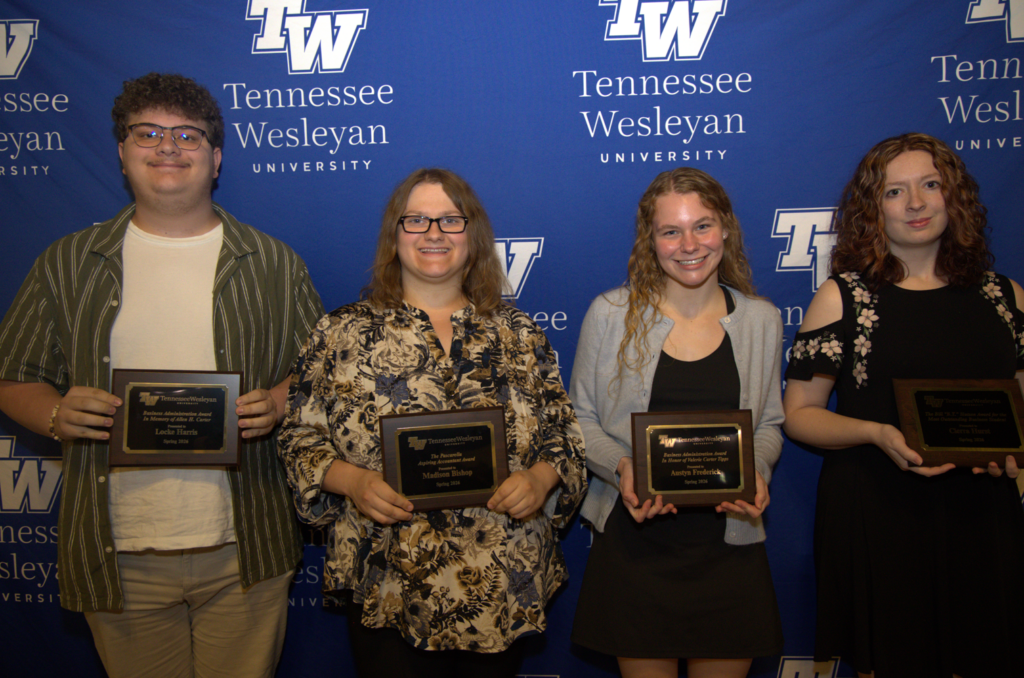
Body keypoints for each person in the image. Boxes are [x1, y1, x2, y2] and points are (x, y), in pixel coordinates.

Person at [0, 73, 324, 678]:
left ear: (216, 156)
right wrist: (53, 413)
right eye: (147, 132)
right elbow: (15, 376)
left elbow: (327, 375)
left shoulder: (274, 263)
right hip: (117, 550)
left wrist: (281, 402)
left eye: (188, 135)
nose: (168, 147)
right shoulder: (69, 262)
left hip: (245, 545)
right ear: (122, 152)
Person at [277, 168, 586, 677]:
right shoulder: (341, 332)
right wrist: (351, 481)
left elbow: (564, 435)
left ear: (474, 235)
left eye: (449, 219)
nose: (434, 233)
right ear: (394, 236)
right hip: (387, 580)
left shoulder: (519, 334)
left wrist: (539, 478)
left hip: (499, 582)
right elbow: (298, 437)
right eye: (416, 220)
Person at [783, 132, 1024, 678]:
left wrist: (1016, 450)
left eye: (930, 185)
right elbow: (798, 412)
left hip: (983, 517)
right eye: (896, 191)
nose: (916, 203)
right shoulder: (843, 297)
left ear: (953, 196)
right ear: (873, 209)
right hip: (878, 512)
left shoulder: (1006, 296)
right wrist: (876, 433)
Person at [570, 168, 784, 678]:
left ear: (726, 229)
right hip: (636, 548)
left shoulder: (761, 319)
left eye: (703, 226)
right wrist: (621, 467)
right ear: (651, 239)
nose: (689, 244)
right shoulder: (609, 314)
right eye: (671, 231)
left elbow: (770, 424)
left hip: (730, 548)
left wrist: (756, 469)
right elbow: (578, 420)